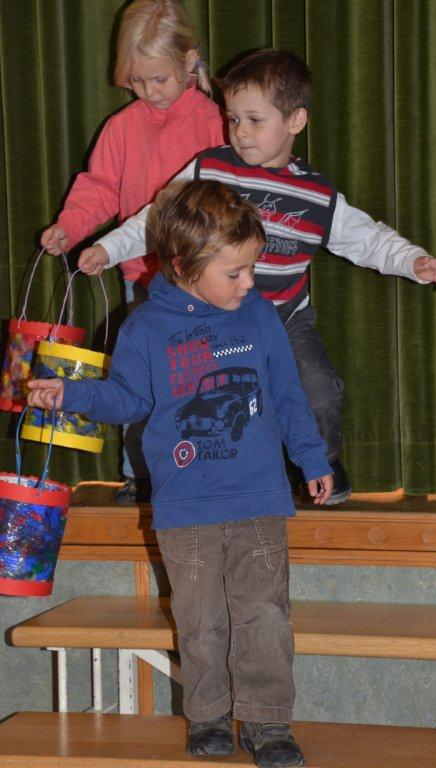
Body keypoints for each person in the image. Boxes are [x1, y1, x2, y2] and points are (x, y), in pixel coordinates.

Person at [29, 179, 333, 768]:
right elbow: (128, 400)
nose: (249, 284)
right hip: (185, 507)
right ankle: (209, 717)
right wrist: (71, 394)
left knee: (265, 615)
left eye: (252, 268)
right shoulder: (145, 328)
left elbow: (286, 393)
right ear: (183, 264)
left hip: (258, 500)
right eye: (235, 272)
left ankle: (268, 722)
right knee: (200, 620)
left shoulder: (259, 316)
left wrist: (312, 457)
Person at [76, 48, 436, 505]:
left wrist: (414, 261)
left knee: (319, 393)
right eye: (233, 119)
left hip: (284, 318)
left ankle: (321, 463)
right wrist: (108, 248)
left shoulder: (316, 193)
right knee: (196, 401)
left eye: (255, 120)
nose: (240, 132)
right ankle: (195, 481)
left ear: (296, 121)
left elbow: (368, 239)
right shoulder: (209, 169)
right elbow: (157, 221)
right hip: (213, 321)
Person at [40, 0, 224, 505]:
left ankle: (201, 471)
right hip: (139, 276)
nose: (149, 92)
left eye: (159, 79)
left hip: (202, 282)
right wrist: (69, 227)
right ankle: (137, 474)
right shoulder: (122, 127)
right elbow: (98, 187)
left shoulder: (216, 124)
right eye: (137, 82)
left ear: (190, 61)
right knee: (138, 376)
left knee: (198, 380)